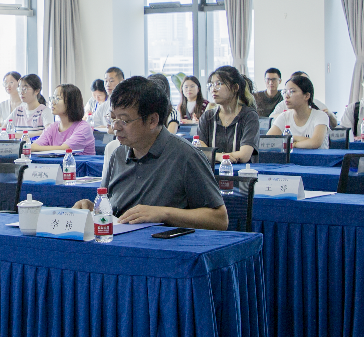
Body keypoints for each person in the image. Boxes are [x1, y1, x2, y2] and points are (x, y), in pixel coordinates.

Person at [72, 76, 228, 231]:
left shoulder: (186, 156)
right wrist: (92, 208)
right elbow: (108, 208)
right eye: (113, 118)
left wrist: (164, 214)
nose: (116, 127)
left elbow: (220, 219)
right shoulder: (118, 155)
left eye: (124, 121)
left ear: (152, 120)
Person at [196, 66, 261, 164]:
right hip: (211, 172)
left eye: (219, 84)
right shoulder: (207, 117)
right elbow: (199, 151)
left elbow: (244, 155)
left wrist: (212, 155)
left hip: (241, 172)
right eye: (211, 85)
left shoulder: (249, 116)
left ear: (235, 88)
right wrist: (219, 156)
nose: (213, 89)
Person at [30, 84, 96, 155]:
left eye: (58, 98)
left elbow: (65, 149)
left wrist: (40, 148)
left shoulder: (83, 127)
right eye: (53, 98)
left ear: (71, 102)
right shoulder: (53, 127)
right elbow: (33, 147)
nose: (53, 102)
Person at [267, 74, 328, 149]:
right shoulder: (284, 116)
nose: (286, 96)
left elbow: (315, 143)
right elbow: (268, 141)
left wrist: (293, 143)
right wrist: (300, 140)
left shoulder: (320, 116)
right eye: (285, 92)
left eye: (291, 91)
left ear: (306, 96)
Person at [269, 71, 337, 127]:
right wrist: (286, 113)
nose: (286, 96)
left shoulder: (318, 110)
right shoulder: (284, 111)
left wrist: (329, 114)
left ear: (307, 95)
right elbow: (270, 119)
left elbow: (316, 139)